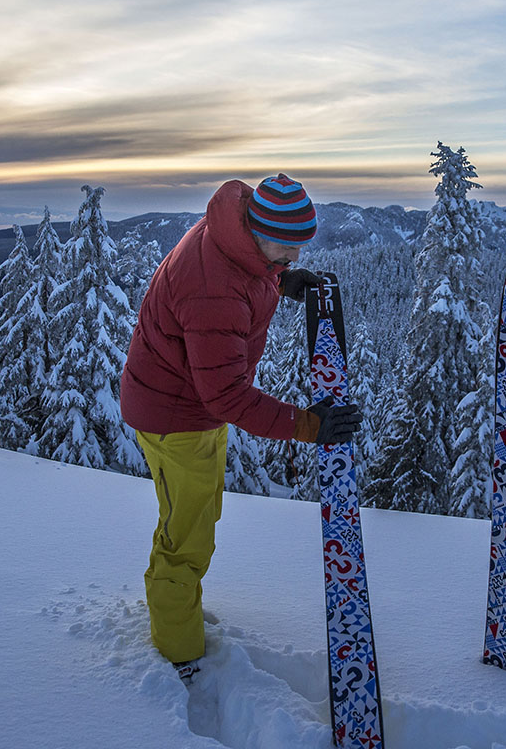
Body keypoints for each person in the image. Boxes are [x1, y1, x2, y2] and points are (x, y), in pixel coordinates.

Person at [119, 173, 362, 682]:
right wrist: (306, 425)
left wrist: (278, 281)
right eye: (287, 249)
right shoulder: (216, 291)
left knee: (198, 520)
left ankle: (179, 612)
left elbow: (249, 273)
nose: (294, 258)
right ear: (259, 229)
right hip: (176, 417)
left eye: (299, 249)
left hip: (187, 406)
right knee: (185, 539)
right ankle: (178, 653)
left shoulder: (233, 239)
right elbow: (227, 394)